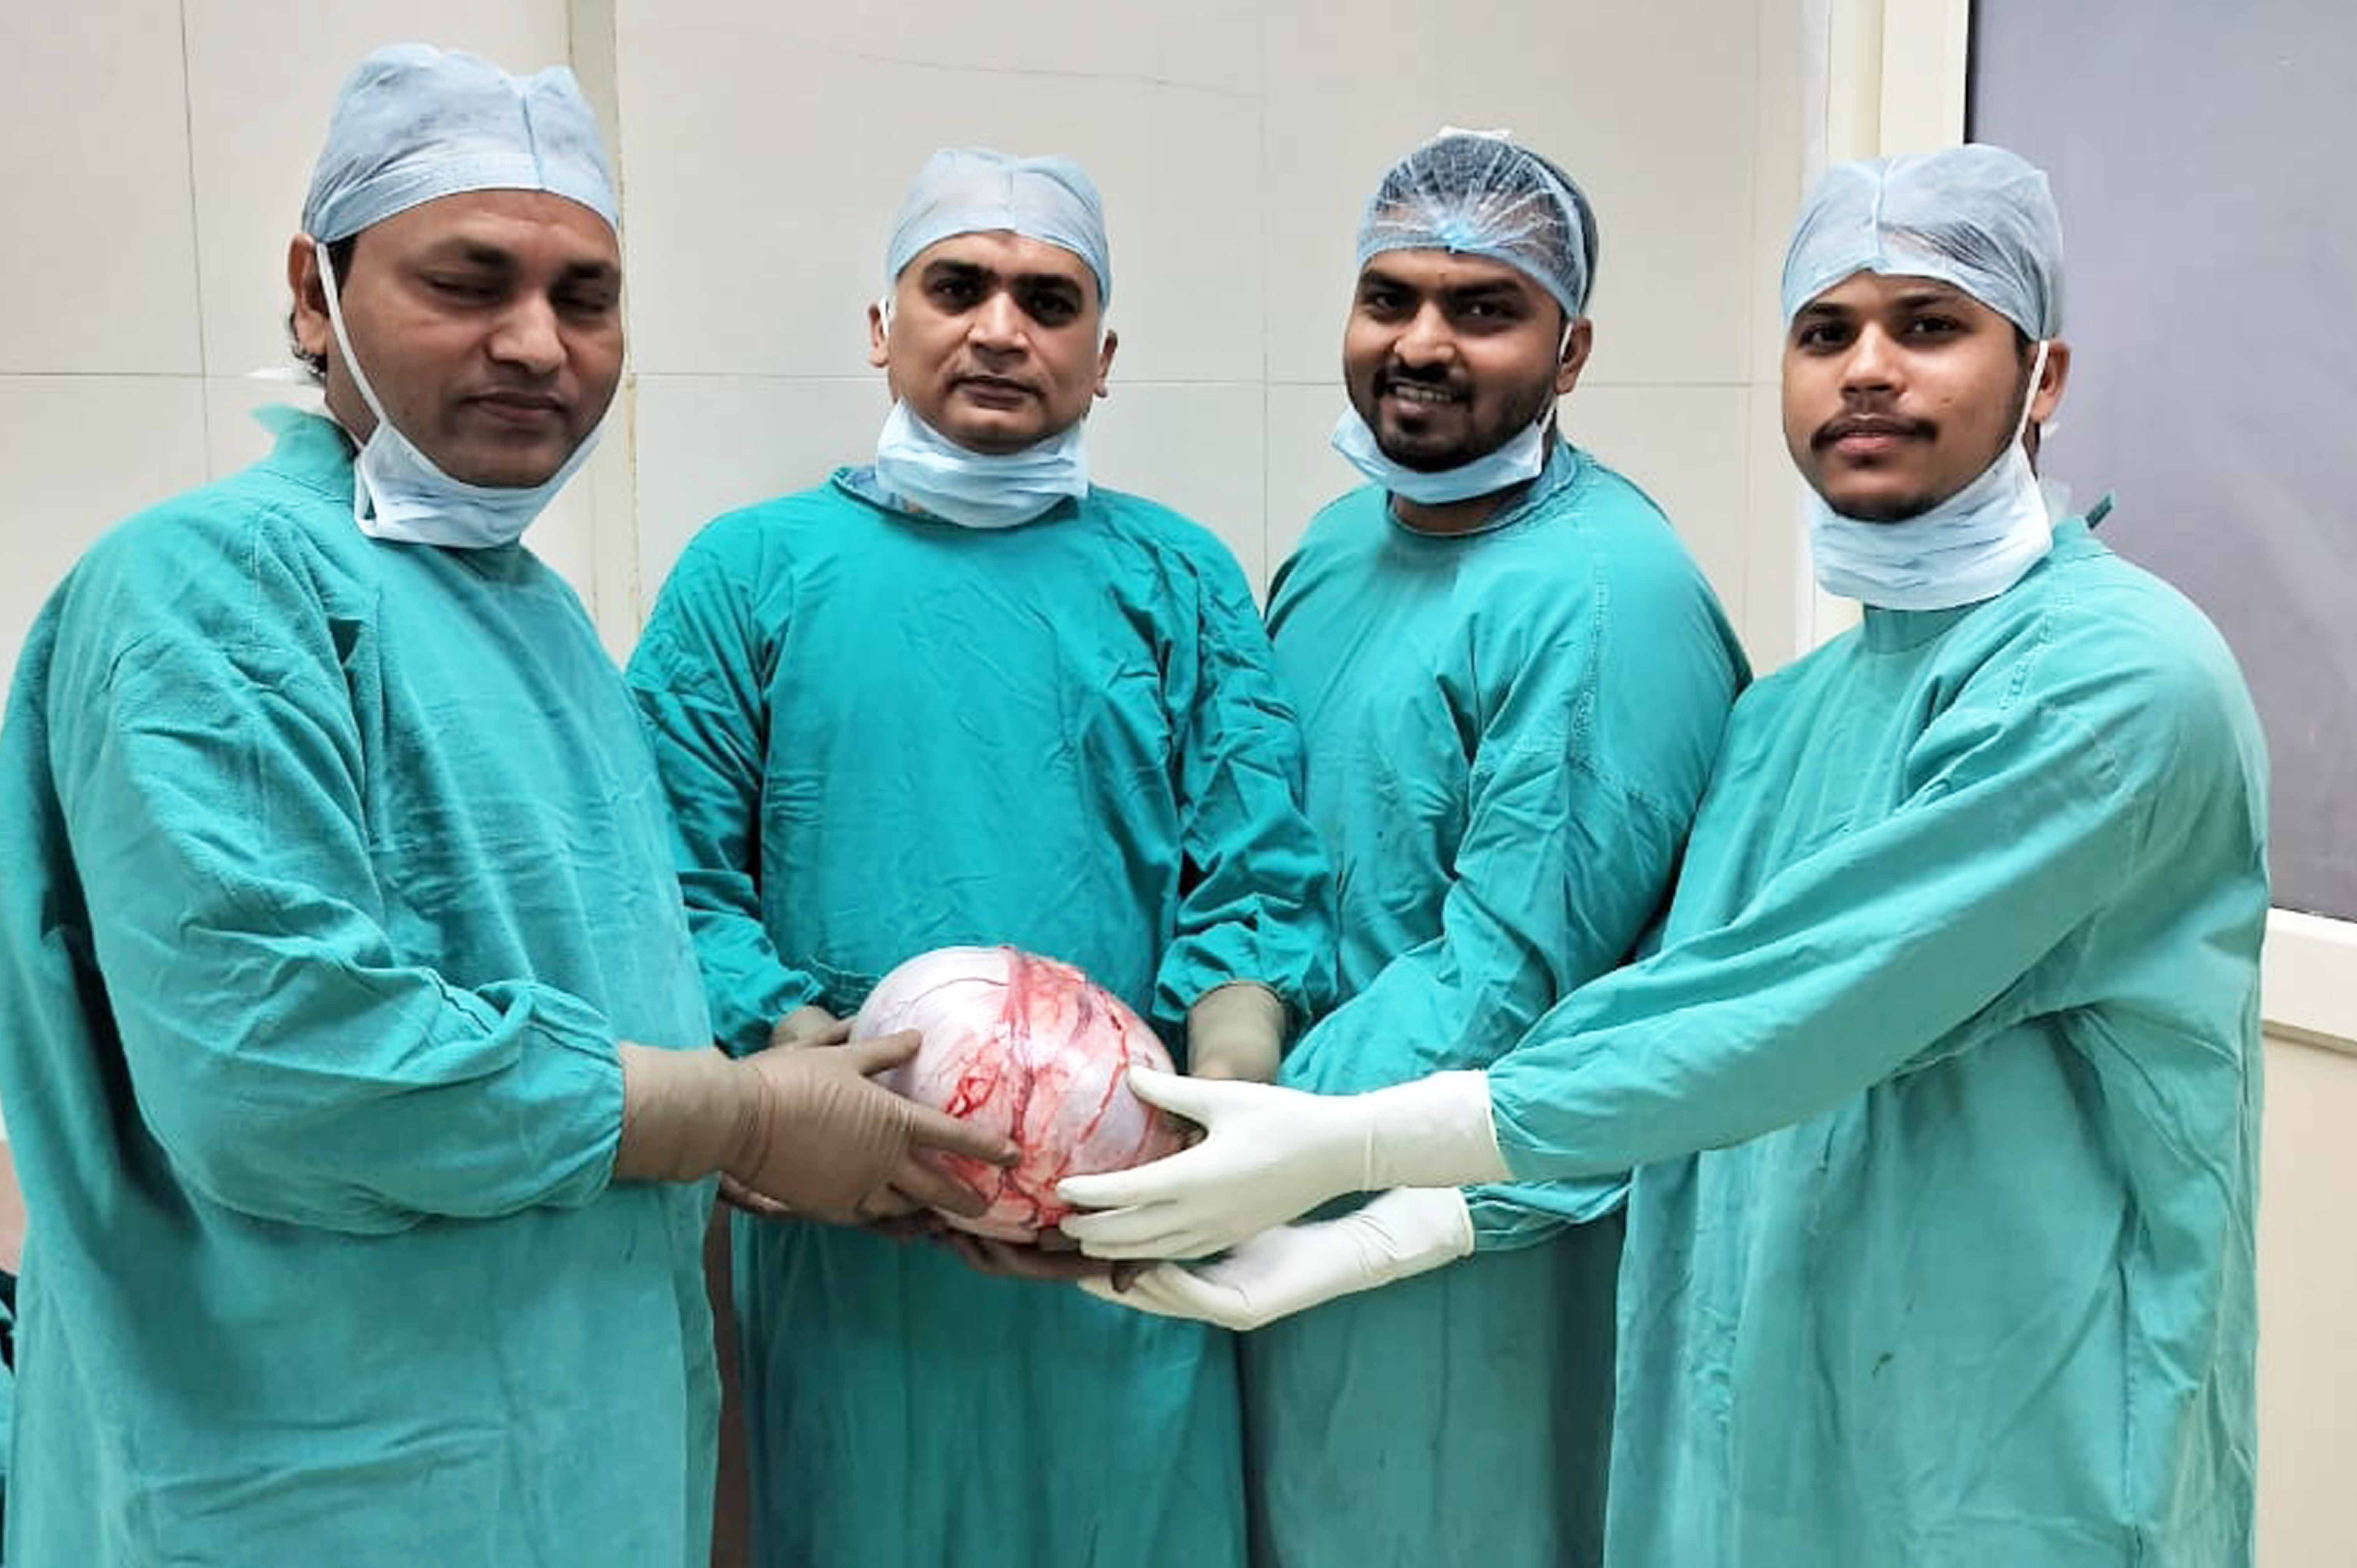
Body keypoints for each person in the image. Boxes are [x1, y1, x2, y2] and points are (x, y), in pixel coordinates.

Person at [1065, 144, 2268, 1567]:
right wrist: (1398, 1230)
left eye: (1929, 326)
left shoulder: (2118, 686)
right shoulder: (1791, 721)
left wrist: (1351, 1140)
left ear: (2044, 377)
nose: (1867, 371)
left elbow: (1787, 1017)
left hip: (2007, 1459)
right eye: (1825, 331)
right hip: (1755, 1435)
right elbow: (1663, 1049)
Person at [0, 45, 1006, 1568]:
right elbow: (280, 1066)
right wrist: (738, 1115)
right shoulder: (206, 591)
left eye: (584, 297)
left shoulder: (537, 624)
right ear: (314, 293)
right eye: (468, 283)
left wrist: (791, 1112)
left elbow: (599, 1012)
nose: (537, 344)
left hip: (576, 1475)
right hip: (306, 1491)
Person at [625, 148, 1334, 1568]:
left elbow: (1255, 876)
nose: (1002, 329)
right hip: (848, 1234)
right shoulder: (746, 574)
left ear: (1104, 358)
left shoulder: (1180, 578)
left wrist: (1219, 1113)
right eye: (958, 288)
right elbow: (672, 878)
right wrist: (812, 1078)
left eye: (1049, 301)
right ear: (881, 327)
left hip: (1122, 1233)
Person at [1242, 131, 1744, 1568]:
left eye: (1483, 309)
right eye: (1389, 298)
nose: (1422, 345)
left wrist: (1247, 1126)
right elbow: (1277, 856)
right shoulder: (1340, 545)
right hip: (1290, 1178)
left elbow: (1511, 979)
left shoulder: (1608, 596)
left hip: (1463, 1234)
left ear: (1571, 349)